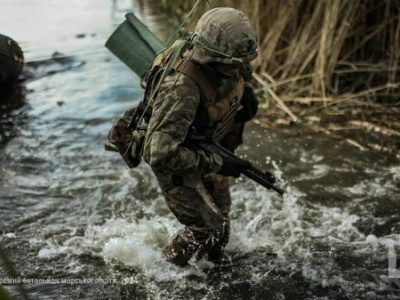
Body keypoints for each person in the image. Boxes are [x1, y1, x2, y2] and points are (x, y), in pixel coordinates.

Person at [142, 7, 259, 266]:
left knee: (222, 224)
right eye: (231, 64)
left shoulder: (232, 58)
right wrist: (218, 163)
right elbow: (158, 153)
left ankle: (212, 268)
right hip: (173, 153)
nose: (237, 68)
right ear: (211, 55)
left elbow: (241, 70)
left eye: (241, 62)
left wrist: (247, 91)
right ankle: (167, 270)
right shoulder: (181, 87)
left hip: (204, 142)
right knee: (205, 229)